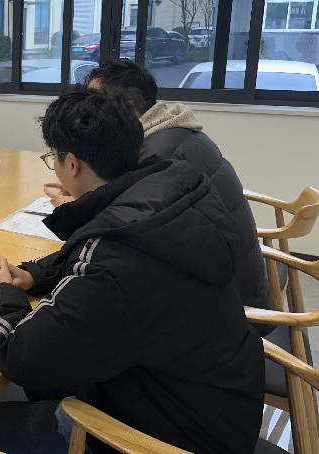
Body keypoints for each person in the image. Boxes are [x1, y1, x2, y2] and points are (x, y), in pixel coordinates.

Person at [0, 86, 264, 454]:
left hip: (168, 438)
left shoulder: (116, 260)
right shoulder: (172, 190)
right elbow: (97, 246)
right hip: (219, 408)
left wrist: (0, 291)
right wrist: (36, 274)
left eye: (52, 157)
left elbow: (20, 354)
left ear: (72, 165)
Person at [67, 59, 271, 319]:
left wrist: (79, 205)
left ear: (126, 105)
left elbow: (123, 235)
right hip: (235, 279)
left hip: (229, 309)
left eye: (95, 100)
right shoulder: (172, 130)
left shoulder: (159, 157)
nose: (86, 108)